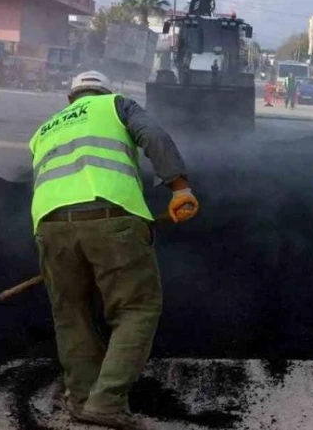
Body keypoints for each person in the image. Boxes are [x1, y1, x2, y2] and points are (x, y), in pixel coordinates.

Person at [30, 71, 200, 430]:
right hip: (112, 218)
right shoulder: (116, 105)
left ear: (70, 99)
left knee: (70, 313)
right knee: (136, 308)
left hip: (50, 226)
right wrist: (180, 187)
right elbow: (154, 135)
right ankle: (106, 403)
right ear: (104, 92)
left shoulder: (45, 129)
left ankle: (82, 397)